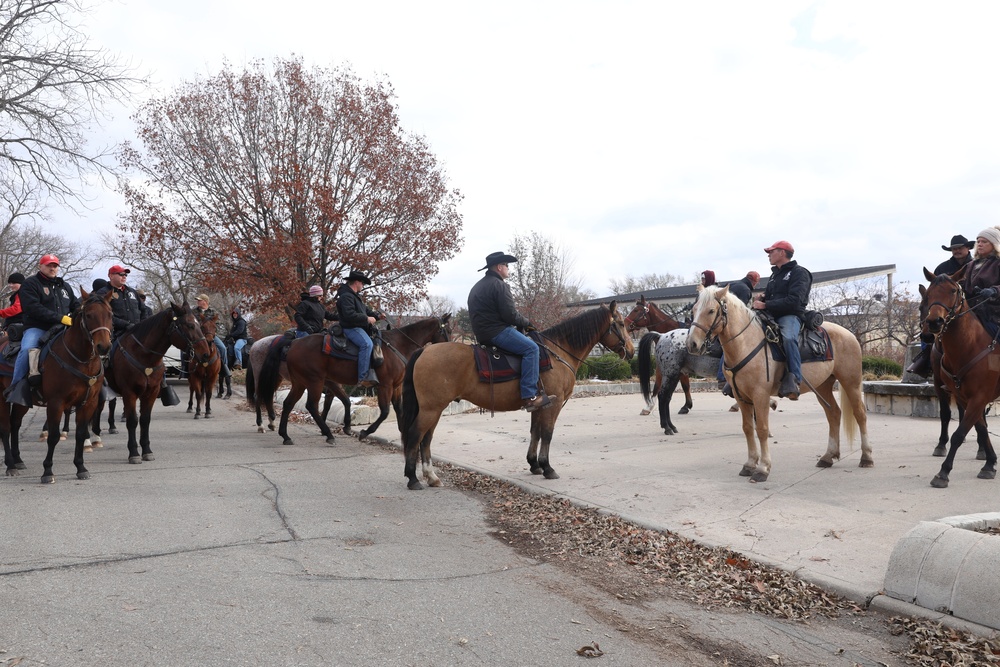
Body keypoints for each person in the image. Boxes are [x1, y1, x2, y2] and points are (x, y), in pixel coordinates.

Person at [468, 251, 555, 412]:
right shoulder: (500, 285)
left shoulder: (477, 286)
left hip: (482, 333)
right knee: (532, 348)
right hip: (497, 331)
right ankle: (530, 396)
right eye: (507, 265)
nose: (508, 269)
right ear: (499, 267)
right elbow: (509, 314)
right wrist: (527, 323)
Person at [3, 254, 80, 406]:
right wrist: (60, 318)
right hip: (37, 328)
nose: (52, 268)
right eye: (49, 265)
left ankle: (96, 384)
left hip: (62, 328)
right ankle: (16, 387)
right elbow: (33, 308)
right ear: (41, 266)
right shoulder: (31, 284)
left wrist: (80, 315)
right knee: (27, 350)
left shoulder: (65, 286)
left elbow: (75, 305)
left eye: (55, 265)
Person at [907, 234, 979, 378]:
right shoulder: (942, 268)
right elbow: (933, 292)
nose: (956, 251)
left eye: (959, 248)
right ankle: (926, 362)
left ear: (967, 248)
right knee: (927, 331)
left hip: (973, 306)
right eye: (953, 249)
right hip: (946, 311)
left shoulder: (976, 266)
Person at [752, 241, 812, 400]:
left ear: (782, 252)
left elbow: (794, 300)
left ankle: (795, 379)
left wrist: (765, 304)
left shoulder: (799, 273)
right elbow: (774, 295)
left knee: (788, 338)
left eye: (772, 251)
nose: (769, 255)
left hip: (790, 315)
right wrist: (764, 297)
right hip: (771, 314)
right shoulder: (775, 275)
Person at [717, 271, 761, 396]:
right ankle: (722, 377)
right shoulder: (746, 290)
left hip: (718, 320)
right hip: (729, 324)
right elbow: (741, 311)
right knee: (731, 347)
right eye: (757, 283)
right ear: (754, 282)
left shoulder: (732, 284)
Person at [337, 271, 383, 387]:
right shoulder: (346, 296)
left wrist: (377, 316)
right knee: (367, 344)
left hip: (358, 327)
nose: (363, 285)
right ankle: (363, 377)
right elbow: (349, 314)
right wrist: (367, 319)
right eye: (362, 283)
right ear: (356, 282)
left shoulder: (355, 296)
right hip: (351, 327)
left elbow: (365, 310)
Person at [959, 227, 1000, 335]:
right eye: (978, 241)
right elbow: (962, 284)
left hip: (994, 312)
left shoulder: (998, 263)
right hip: (971, 310)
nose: (980, 244)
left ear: (994, 244)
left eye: (984, 242)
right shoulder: (970, 265)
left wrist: (994, 291)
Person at [103, 265, 145, 340]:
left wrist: (142, 325)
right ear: (111, 276)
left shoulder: (132, 292)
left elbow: (143, 310)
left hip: (138, 334)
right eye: (121, 274)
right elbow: (103, 316)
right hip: (117, 336)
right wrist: (126, 325)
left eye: (125, 275)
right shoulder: (104, 293)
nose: (124, 276)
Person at [194, 294, 231, 379]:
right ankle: (186, 369)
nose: (198, 302)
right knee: (185, 350)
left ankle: (224, 369)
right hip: (197, 336)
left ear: (205, 301)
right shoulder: (194, 312)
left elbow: (217, 325)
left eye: (200, 300)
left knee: (223, 348)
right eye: (198, 300)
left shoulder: (213, 312)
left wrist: (212, 333)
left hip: (210, 335)